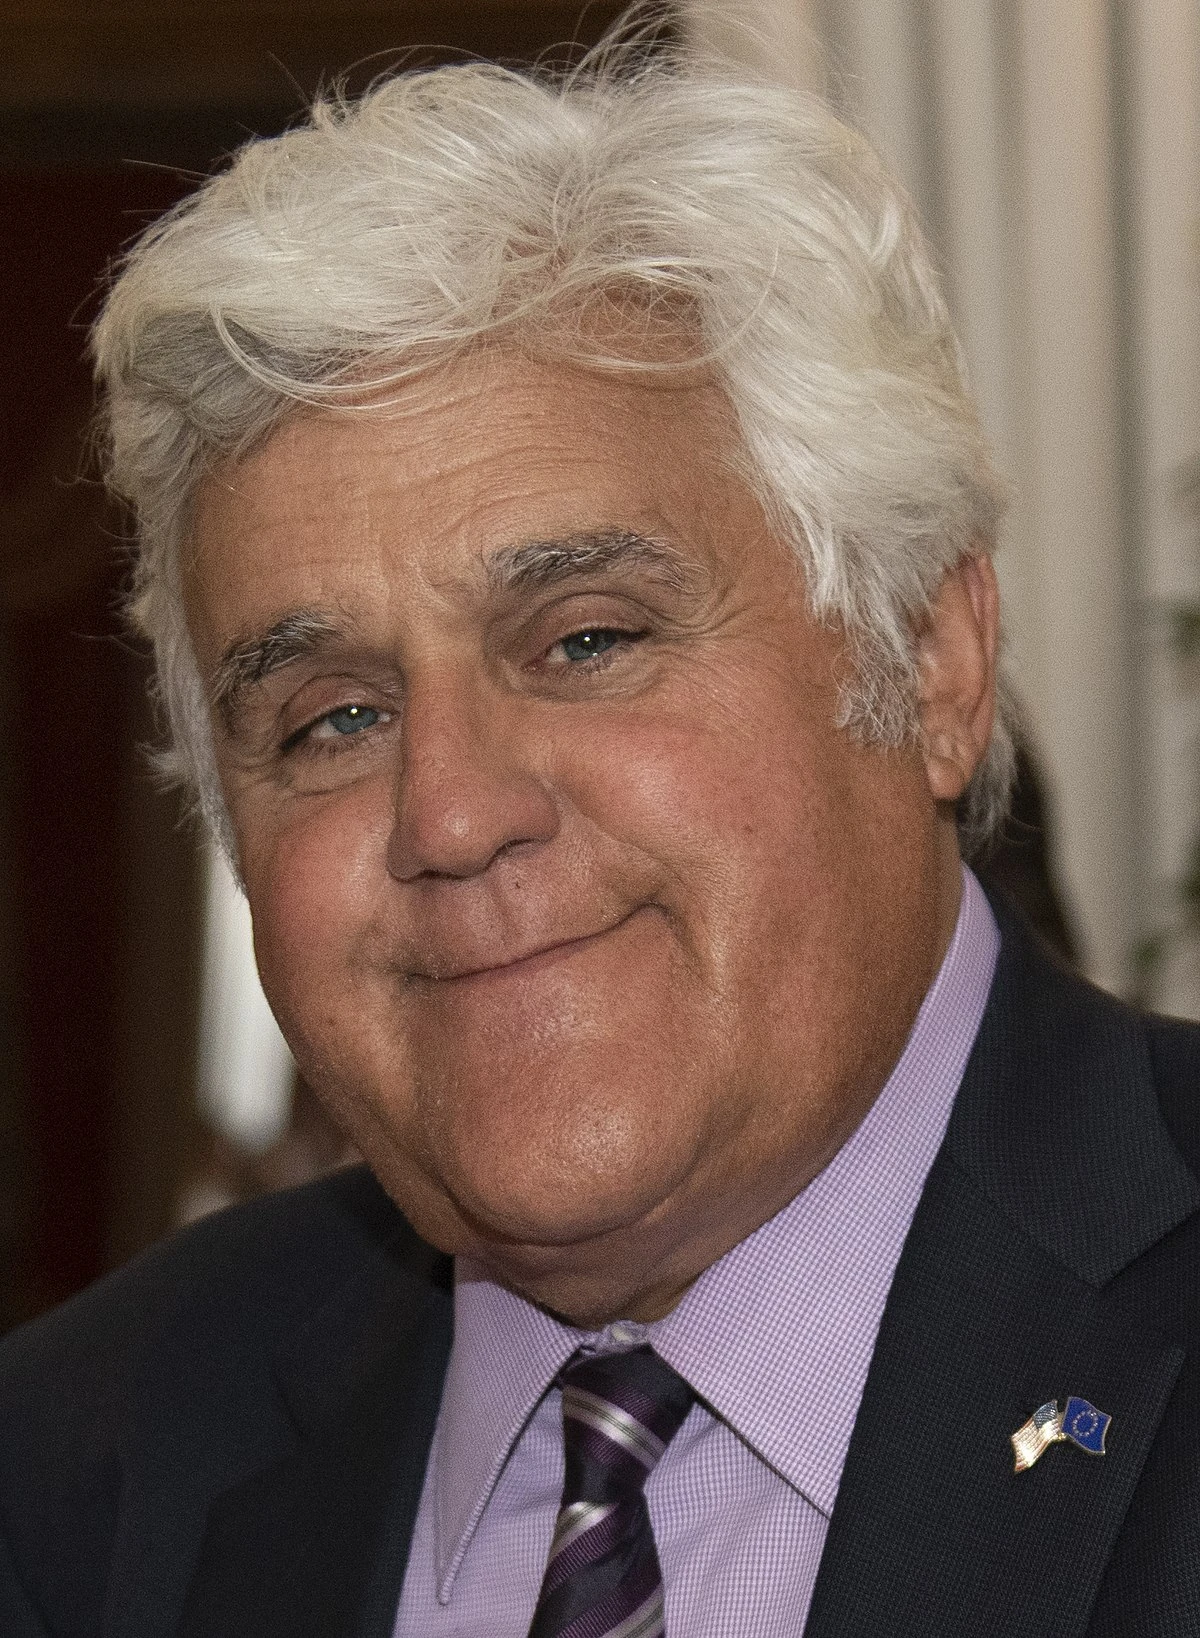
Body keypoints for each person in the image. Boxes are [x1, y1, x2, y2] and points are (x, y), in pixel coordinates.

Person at [3, 34, 1198, 1638]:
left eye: (585, 638)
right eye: (333, 718)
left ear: (927, 659)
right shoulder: (74, 1475)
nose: (450, 813)